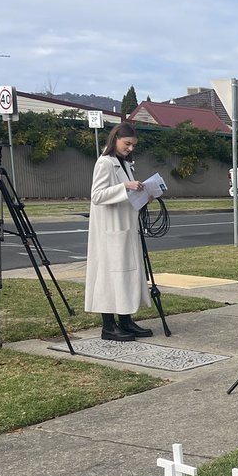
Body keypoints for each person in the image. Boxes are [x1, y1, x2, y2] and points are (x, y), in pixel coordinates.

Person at [85, 122, 152, 342]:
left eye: (133, 145)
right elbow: (97, 195)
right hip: (109, 230)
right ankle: (108, 326)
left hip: (126, 226)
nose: (130, 148)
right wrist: (126, 187)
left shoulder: (125, 164)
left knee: (128, 275)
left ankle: (126, 319)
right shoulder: (104, 163)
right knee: (109, 276)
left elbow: (126, 194)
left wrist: (145, 195)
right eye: (127, 144)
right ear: (115, 140)